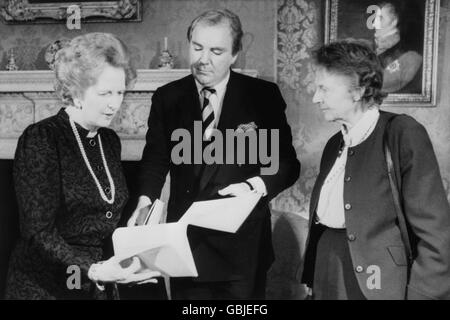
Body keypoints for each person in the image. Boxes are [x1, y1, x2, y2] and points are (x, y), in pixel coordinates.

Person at [128, 9, 300, 299]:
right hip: (185, 246)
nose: (203, 59)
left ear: (235, 55)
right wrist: (145, 201)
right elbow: (155, 160)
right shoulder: (168, 97)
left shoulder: (262, 96)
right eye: (197, 48)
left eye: (216, 51)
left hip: (242, 248)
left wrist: (251, 187)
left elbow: (285, 164)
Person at [5, 33, 160, 300]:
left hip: (96, 280)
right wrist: (93, 270)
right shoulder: (42, 138)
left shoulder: (109, 140)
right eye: (104, 93)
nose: (114, 103)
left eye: (120, 92)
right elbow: (37, 232)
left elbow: (104, 213)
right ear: (76, 91)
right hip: (45, 285)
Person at [301, 40, 450, 300]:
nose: (316, 98)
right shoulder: (333, 144)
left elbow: (435, 234)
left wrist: (423, 295)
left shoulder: (402, 133)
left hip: (378, 281)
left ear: (357, 90)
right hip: (327, 268)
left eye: (323, 89)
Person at [373, 0, 423, 93]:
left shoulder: (411, 57)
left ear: (394, 21)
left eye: (380, 18)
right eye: (374, 18)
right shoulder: (373, 51)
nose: (374, 24)